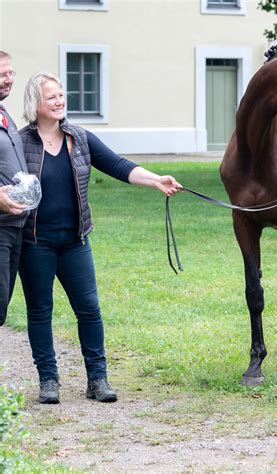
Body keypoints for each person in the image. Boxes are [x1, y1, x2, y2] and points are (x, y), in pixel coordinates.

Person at [19, 72, 182, 404]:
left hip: (75, 240)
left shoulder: (79, 138)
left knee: (89, 309)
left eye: (62, 95)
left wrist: (156, 180)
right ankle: (48, 380)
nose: (60, 101)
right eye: (52, 97)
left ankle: (98, 379)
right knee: (40, 310)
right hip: (35, 242)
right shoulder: (20, 143)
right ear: (36, 103)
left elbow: (119, 165)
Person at [0, 51, 28, 327]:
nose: (9, 80)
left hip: (13, 225)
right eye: (2, 75)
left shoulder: (4, 113)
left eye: (11, 73)